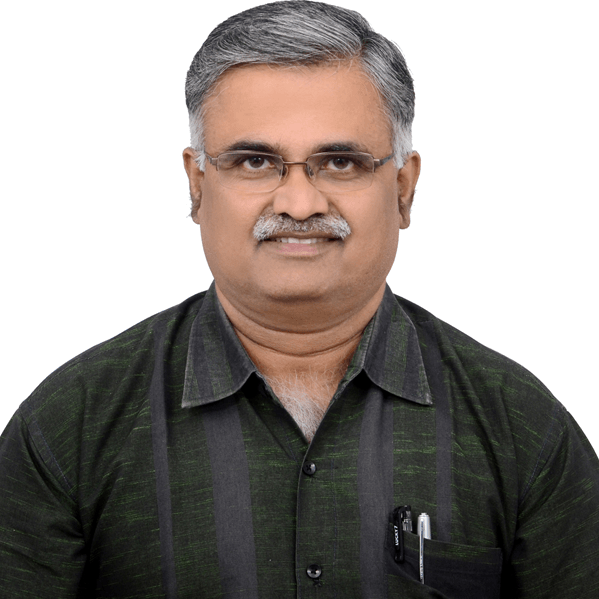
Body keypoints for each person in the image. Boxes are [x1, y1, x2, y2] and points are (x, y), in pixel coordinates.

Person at [1, 1, 598, 597]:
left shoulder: (521, 427)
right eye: (255, 161)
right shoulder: (70, 426)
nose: (299, 204)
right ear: (197, 185)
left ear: (403, 188)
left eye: (339, 162)